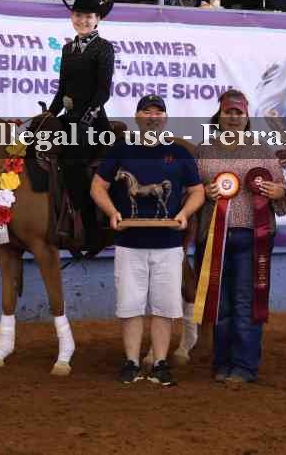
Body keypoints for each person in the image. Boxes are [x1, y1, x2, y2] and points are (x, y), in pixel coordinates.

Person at [91, 94, 205, 386]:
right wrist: (112, 212)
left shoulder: (179, 153)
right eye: (146, 111)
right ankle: (131, 362)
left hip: (169, 246)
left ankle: (160, 362)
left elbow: (197, 191)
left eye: (158, 112)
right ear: (137, 117)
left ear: (164, 118)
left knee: (165, 307)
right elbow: (98, 187)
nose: (152, 116)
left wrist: (184, 214)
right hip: (129, 245)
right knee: (130, 306)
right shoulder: (121, 150)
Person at [194, 90, 286, 384]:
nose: (234, 117)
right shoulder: (203, 150)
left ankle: (244, 366)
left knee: (245, 302)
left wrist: (277, 191)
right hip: (213, 237)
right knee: (220, 304)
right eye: (229, 112)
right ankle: (222, 363)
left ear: (247, 117)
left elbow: (283, 196)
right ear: (219, 115)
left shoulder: (262, 151)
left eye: (239, 113)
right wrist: (204, 192)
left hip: (253, 238)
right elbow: (190, 192)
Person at [44, 0, 115, 256]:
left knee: (73, 163)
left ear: (98, 19)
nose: (82, 21)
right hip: (70, 117)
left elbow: (103, 91)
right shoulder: (68, 48)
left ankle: (90, 230)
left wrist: (86, 119)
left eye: (88, 16)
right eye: (78, 15)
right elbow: (62, 90)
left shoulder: (104, 48)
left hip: (93, 121)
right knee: (35, 143)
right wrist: (49, 116)